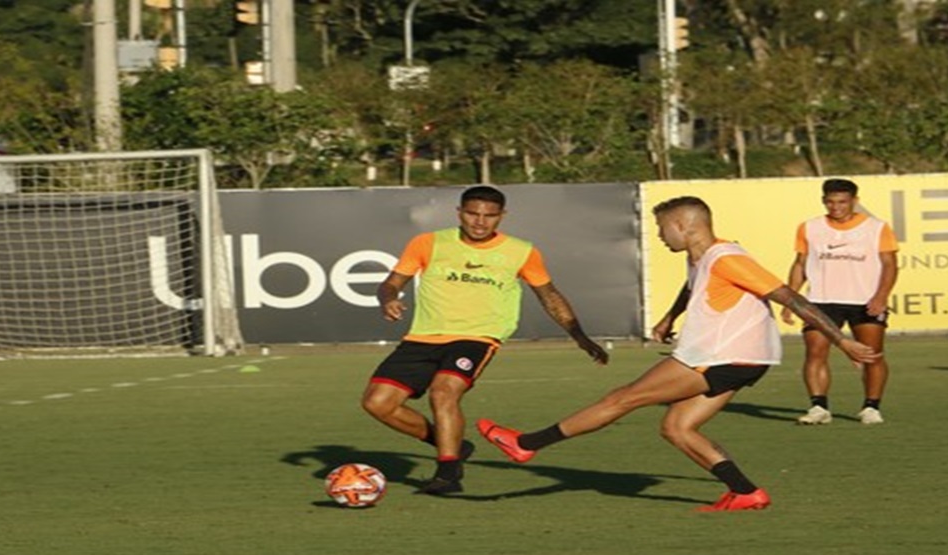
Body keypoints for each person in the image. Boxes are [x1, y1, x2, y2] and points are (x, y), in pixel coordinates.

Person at [477, 196, 880, 511]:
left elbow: (789, 296)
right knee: (676, 428)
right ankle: (746, 492)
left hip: (721, 354)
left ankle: (527, 443)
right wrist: (671, 316)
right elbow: (693, 289)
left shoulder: (728, 257)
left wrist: (842, 341)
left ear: (684, 226)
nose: (659, 235)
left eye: (661, 227)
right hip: (741, 359)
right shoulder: (701, 257)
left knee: (623, 397)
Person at [362, 185, 609, 495]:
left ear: (501, 216)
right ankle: (452, 443)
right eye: (472, 214)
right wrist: (387, 299)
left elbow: (549, 295)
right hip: (422, 337)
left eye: (489, 216)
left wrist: (578, 334)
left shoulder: (521, 251)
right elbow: (391, 283)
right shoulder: (428, 243)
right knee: (377, 403)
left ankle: (448, 474)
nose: (480, 222)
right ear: (459, 213)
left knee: (443, 392)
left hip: (477, 337)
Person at [781, 178, 899, 425]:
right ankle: (819, 407)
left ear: (854, 201)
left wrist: (881, 296)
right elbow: (800, 264)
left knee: (872, 355)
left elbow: (890, 265)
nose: (836, 207)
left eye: (842, 202)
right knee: (815, 352)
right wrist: (790, 298)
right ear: (824, 201)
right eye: (831, 202)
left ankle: (871, 407)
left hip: (865, 301)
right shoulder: (809, 227)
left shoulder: (877, 227)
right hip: (821, 301)